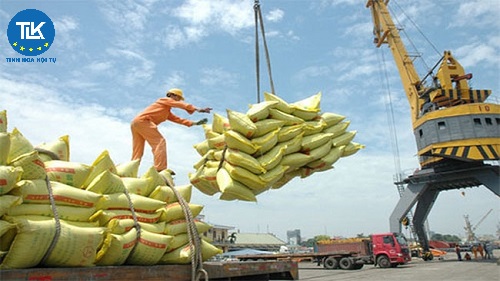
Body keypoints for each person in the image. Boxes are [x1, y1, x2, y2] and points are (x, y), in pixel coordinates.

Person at [131, 88, 212, 172]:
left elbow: (177, 119)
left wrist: (194, 123)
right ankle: (160, 169)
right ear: (172, 95)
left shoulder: (166, 111)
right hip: (144, 121)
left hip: (136, 123)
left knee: (138, 149)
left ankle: (131, 169)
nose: (179, 100)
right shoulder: (164, 100)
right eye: (179, 98)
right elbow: (179, 104)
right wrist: (198, 109)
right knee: (159, 142)